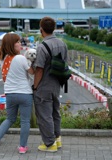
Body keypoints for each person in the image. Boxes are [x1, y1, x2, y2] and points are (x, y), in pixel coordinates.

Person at [0, 33, 34, 154]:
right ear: (11, 45)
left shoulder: (4, 60)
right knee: (25, 121)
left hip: (10, 94)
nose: (20, 44)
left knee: (9, 119)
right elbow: (32, 72)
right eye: (17, 42)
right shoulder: (21, 58)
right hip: (24, 93)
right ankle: (22, 147)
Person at [33, 17, 68, 152]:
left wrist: (35, 86)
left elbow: (39, 69)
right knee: (55, 113)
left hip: (44, 86)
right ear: (54, 28)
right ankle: (57, 139)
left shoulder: (42, 47)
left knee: (44, 115)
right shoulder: (62, 44)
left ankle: (49, 143)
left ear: (41, 29)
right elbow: (65, 64)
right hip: (56, 84)